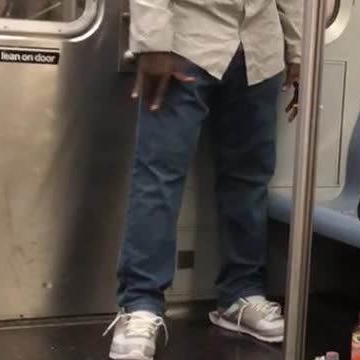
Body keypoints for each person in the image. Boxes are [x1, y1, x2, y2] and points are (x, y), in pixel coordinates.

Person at [103, 1, 302, 359]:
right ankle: (140, 304)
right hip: (187, 38)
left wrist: (298, 49)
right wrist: (153, 41)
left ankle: (240, 294)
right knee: (158, 176)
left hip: (260, 45)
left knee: (249, 178)